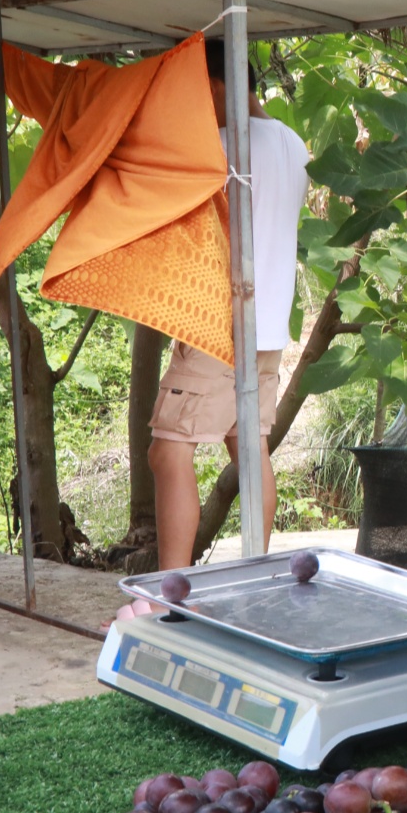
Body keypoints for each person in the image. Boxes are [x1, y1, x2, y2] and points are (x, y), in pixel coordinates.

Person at [146, 40, 311, 570]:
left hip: (218, 321)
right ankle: (256, 575)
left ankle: (169, 597)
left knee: (169, 449)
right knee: (250, 449)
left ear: (220, 84)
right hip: (267, 329)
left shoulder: (220, 145)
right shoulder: (293, 144)